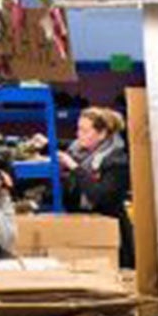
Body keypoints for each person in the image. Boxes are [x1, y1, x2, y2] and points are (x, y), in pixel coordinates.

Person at [61, 107, 135, 267]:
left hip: (111, 233)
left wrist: (74, 168)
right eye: (78, 129)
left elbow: (99, 195)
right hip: (85, 227)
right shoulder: (80, 152)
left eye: (84, 130)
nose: (78, 134)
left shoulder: (117, 161)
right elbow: (65, 145)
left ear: (102, 134)